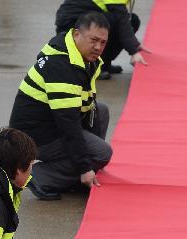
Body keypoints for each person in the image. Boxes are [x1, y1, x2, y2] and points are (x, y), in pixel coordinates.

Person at [9, 12, 113, 200]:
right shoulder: (62, 66)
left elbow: (85, 107)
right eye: (93, 40)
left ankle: (74, 175)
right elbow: (68, 123)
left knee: (101, 111)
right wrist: (85, 166)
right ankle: (39, 176)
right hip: (33, 137)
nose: (98, 47)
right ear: (76, 35)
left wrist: (89, 164)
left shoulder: (79, 56)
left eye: (103, 42)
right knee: (103, 153)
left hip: (49, 125)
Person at [54, 0, 149, 79]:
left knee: (132, 20)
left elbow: (123, 18)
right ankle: (91, 67)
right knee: (110, 23)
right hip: (71, 24)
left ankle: (103, 64)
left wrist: (135, 44)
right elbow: (121, 19)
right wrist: (134, 51)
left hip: (85, 17)